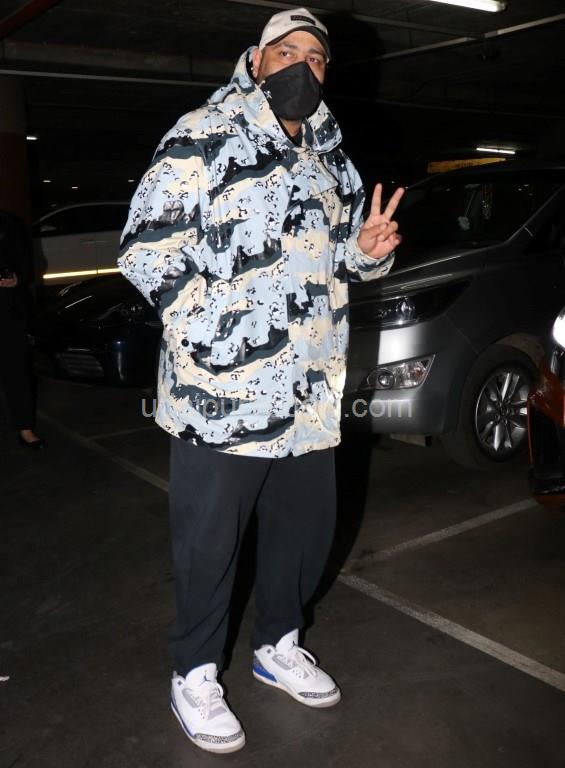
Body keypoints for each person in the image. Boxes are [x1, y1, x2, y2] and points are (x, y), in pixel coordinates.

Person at [118, 7, 403, 755]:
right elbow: (145, 249)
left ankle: (279, 646)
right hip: (221, 397)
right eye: (286, 51)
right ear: (255, 61)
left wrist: (368, 250)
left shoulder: (330, 157)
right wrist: (215, 340)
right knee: (209, 546)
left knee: (301, 536)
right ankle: (194, 672)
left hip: (309, 395)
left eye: (316, 57)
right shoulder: (202, 134)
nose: (301, 66)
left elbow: (338, 260)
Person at [0, 210, 45, 450]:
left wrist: (18, 278)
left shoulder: (8, 223)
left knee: (16, 369)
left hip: (8, 308)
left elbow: (27, 261)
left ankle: (24, 428)